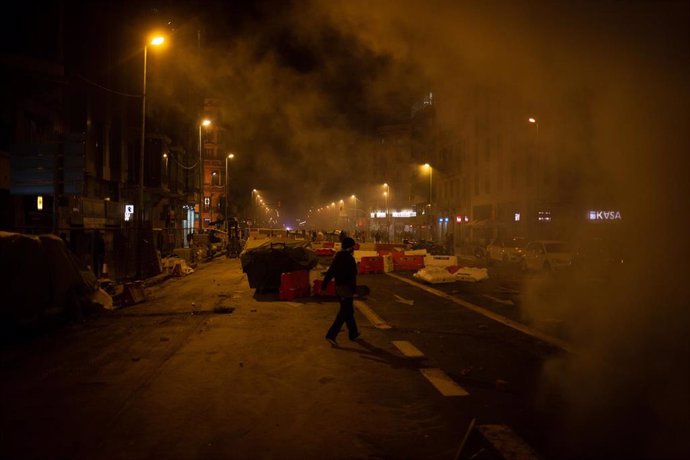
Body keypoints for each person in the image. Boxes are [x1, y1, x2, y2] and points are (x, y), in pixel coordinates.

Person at [320, 236, 360, 346]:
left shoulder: (338, 256)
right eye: (353, 246)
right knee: (343, 313)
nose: (354, 249)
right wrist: (354, 290)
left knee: (349, 311)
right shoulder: (348, 258)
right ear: (350, 247)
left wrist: (324, 286)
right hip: (345, 289)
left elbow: (330, 272)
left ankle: (353, 333)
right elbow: (352, 276)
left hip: (339, 287)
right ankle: (331, 335)